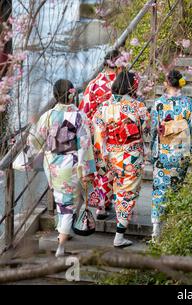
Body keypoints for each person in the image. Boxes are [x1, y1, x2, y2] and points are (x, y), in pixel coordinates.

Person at [27, 79, 96, 257]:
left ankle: (63, 230)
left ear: (55, 95)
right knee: (68, 203)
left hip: (53, 164)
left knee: (63, 200)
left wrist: (31, 152)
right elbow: (86, 144)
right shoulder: (80, 116)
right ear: (73, 95)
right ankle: (61, 245)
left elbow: (35, 140)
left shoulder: (48, 115)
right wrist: (88, 168)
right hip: (71, 164)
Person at [92, 70, 151, 247]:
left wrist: (102, 157)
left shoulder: (103, 107)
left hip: (110, 155)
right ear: (133, 86)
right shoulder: (138, 107)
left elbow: (98, 135)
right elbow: (146, 131)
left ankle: (116, 221)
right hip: (131, 157)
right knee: (127, 194)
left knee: (118, 190)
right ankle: (119, 235)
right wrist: (146, 150)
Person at [149, 70, 192, 242]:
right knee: (175, 189)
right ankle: (172, 227)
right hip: (181, 152)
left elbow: (153, 128)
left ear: (167, 83)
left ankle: (156, 228)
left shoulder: (158, 104)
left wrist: (153, 151)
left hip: (163, 152)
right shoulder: (189, 104)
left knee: (159, 189)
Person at [79, 50, 121, 220]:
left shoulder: (94, 83)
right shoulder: (122, 83)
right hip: (119, 132)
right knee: (117, 166)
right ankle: (116, 201)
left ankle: (101, 206)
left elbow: (85, 111)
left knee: (101, 168)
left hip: (98, 133)